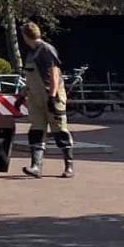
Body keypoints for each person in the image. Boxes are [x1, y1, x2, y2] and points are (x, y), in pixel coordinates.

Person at [19, 21, 74, 178]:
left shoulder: (46, 50)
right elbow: (30, 79)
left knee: (59, 130)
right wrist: (23, 94)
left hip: (50, 95)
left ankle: (68, 166)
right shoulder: (31, 52)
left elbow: (54, 73)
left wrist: (52, 96)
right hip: (35, 98)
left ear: (26, 35)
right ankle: (36, 166)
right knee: (36, 130)